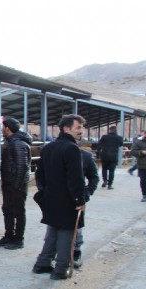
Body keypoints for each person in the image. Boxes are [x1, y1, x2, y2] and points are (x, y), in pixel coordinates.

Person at [32, 114, 87, 280]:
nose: (81, 131)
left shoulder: (49, 147)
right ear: (66, 128)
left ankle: (42, 263)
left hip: (51, 197)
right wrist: (79, 200)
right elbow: (75, 178)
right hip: (68, 199)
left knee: (53, 230)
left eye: (82, 128)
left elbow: (39, 173)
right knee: (67, 233)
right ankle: (61, 269)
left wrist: (45, 190)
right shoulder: (72, 149)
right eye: (78, 127)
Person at [0, 118, 32, 250]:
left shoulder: (18, 144)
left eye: (3, 127)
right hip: (9, 182)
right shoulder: (10, 142)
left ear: (7, 128)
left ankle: (18, 239)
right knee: (8, 209)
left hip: (16, 184)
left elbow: (22, 166)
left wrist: (17, 184)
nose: (2, 130)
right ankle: (9, 235)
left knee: (18, 211)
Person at [74, 149, 100, 268]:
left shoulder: (85, 156)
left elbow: (94, 177)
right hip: (57, 197)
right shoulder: (54, 152)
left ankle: (76, 251)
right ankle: (52, 252)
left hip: (77, 197)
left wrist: (88, 192)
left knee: (77, 225)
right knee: (54, 226)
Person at [129, 129, 146, 203]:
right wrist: (141, 152)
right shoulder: (139, 142)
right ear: (145, 134)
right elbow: (132, 151)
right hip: (142, 165)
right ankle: (145, 195)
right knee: (143, 181)